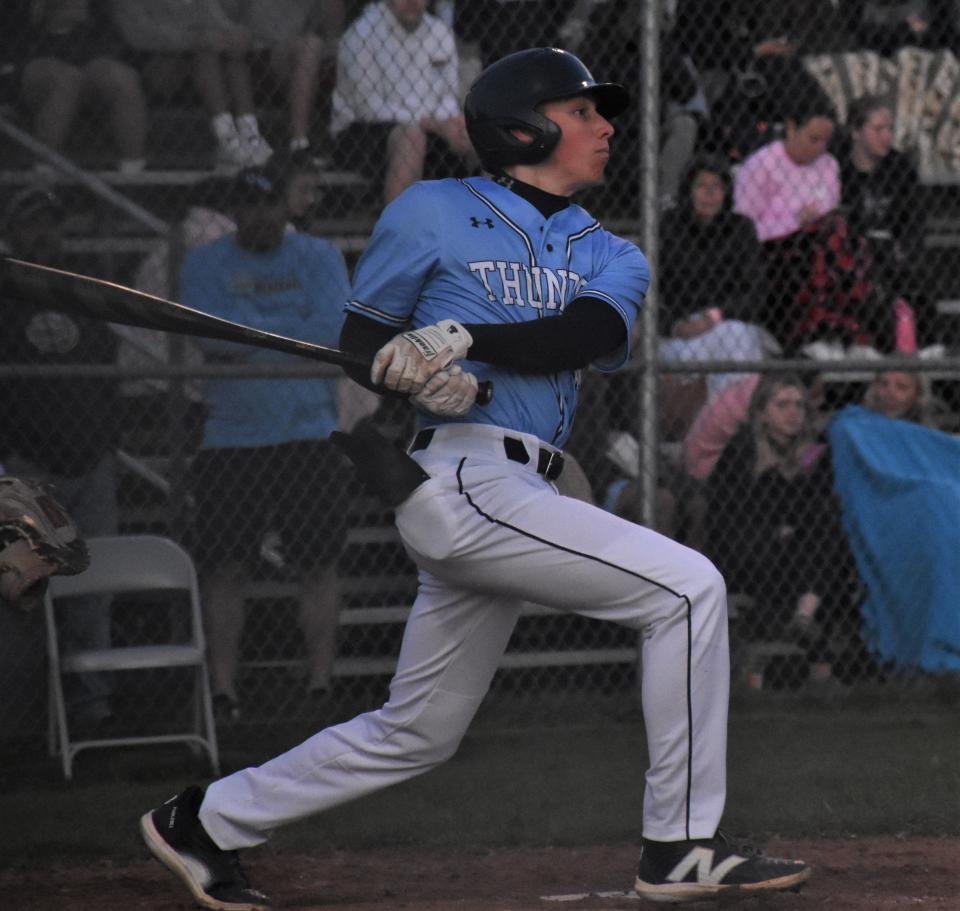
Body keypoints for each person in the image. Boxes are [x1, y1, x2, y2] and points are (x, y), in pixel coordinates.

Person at [139, 48, 813, 909]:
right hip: (462, 478)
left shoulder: (611, 250)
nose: (606, 127)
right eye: (581, 113)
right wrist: (409, 371)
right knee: (688, 589)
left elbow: (579, 337)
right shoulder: (432, 209)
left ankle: (204, 820)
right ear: (523, 126)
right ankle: (680, 844)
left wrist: (463, 340)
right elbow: (361, 345)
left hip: (527, 491)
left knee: (418, 730)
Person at [176, 162, 353, 722]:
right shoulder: (204, 263)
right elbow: (213, 336)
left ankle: (320, 685)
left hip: (309, 431)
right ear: (233, 211)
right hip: (232, 438)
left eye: (267, 204)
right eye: (246, 206)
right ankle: (224, 689)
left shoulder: (321, 257)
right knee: (226, 565)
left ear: (285, 206)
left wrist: (251, 331)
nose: (258, 216)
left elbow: (330, 335)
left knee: (318, 562)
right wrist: (287, 332)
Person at [0, 184, 122, 727]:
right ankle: (28, 716)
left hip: (89, 461)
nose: (44, 233)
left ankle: (91, 711)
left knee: (94, 590)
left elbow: (108, 366)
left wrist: (104, 439)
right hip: (29, 467)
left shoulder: (82, 286)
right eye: (32, 223)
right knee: (26, 588)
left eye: (51, 222)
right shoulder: (5, 291)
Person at [704, 373, 855, 684]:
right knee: (810, 537)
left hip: (799, 551)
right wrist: (782, 513)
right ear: (761, 412)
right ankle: (814, 651)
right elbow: (732, 516)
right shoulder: (743, 449)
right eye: (782, 405)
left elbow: (814, 510)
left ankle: (804, 616)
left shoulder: (814, 452)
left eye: (800, 405)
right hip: (748, 553)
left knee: (828, 529)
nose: (793, 413)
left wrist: (789, 520)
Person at [329, 0, 477, 205]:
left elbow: (447, 97)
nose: (411, 1)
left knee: (475, 132)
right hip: (362, 133)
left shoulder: (439, 32)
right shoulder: (361, 33)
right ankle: (398, 230)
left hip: (431, 127)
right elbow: (368, 107)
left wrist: (453, 124)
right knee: (412, 138)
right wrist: (431, 123)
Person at [658, 155, 779, 403]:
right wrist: (675, 325)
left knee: (736, 338)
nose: (710, 193)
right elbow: (649, 290)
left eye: (717, 187)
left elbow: (756, 292)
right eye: (702, 186)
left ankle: (726, 425)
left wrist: (714, 317)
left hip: (727, 321)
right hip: (682, 331)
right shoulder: (669, 227)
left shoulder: (741, 228)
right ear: (688, 191)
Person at [111, 0, 272, 170]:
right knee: (205, 53)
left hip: (197, 58)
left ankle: (250, 134)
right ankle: (226, 137)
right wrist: (192, 40)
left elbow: (215, 20)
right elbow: (137, 34)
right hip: (153, 60)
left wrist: (229, 35)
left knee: (230, 58)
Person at [836, 93, 934, 351]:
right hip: (850, 255)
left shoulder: (900, 167)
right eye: (878, 129)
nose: (887, 136)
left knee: (912, 284)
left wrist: (903, 250)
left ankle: (920, 347)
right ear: (856, 132)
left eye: (889, 129)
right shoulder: (837, 167)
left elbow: (913, 220)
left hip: (891, 254)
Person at [20, 0, 147, 173]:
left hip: (86, 70)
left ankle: (133, 171)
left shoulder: (99, 21)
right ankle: (42, 178)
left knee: (121, 77)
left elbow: (108, 53)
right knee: (67, 79)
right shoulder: (22, 18)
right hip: (34, 74)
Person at [231, 0, 346, 154]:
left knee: (311, 46)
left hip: (300, 47)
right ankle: (300, 141)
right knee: (310, 47)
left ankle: (300, 143)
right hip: (258, 47)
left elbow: (332, 32)